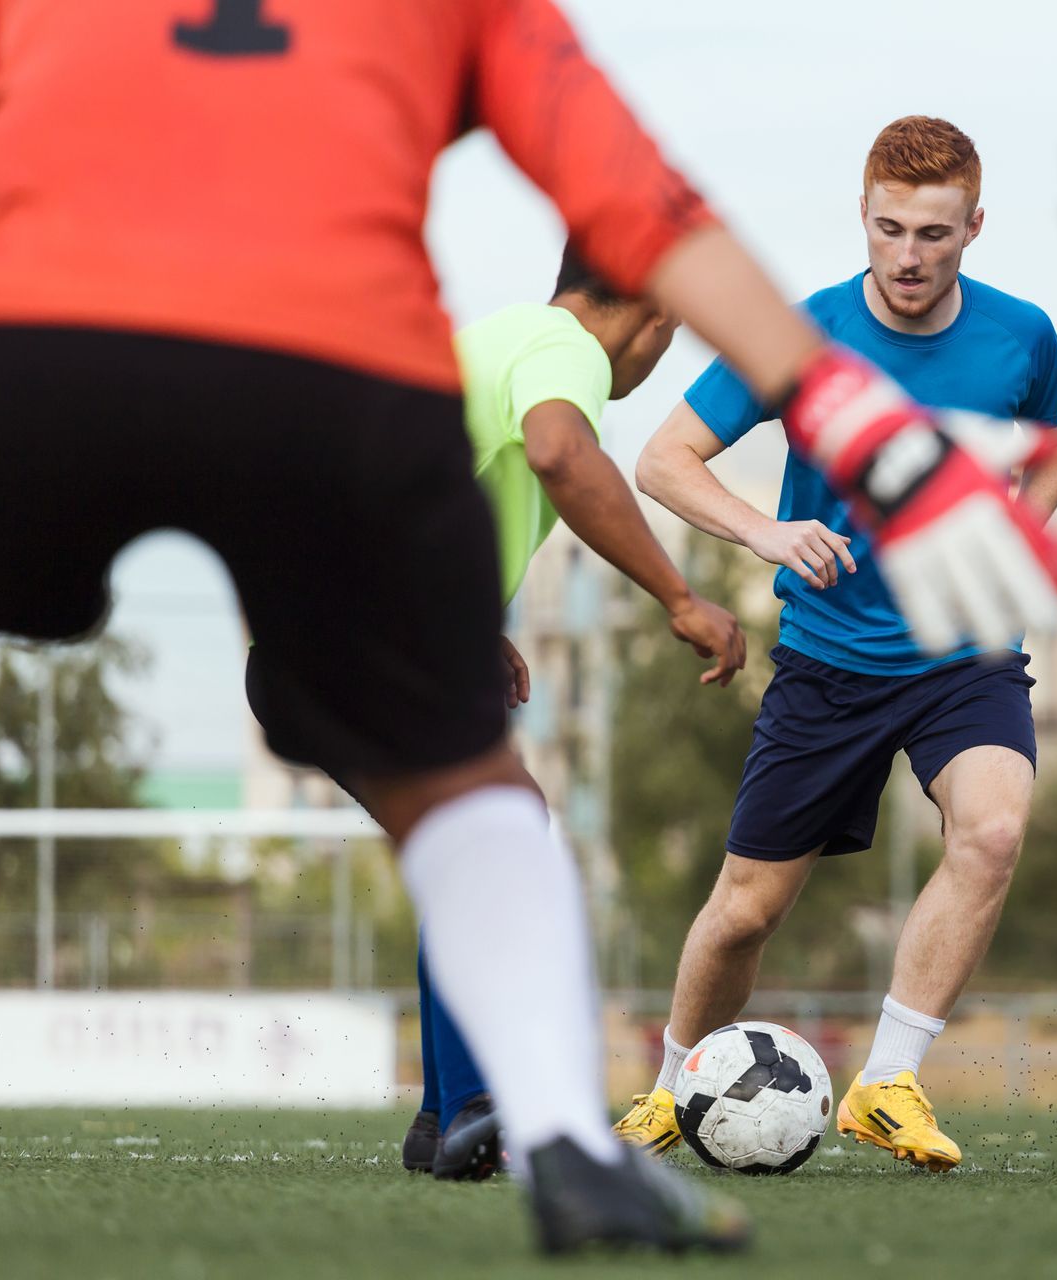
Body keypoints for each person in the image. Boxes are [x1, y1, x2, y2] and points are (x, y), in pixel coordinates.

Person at [0, 3, 1057, 1255]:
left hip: (41, 336)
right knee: (485, 811)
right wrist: (725, 543)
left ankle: (480, 1114)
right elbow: (624, 282)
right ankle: (546, 1131)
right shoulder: (475, 56)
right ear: (644, 323)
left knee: (498, 801)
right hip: (314, 366)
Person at [615, 116, 1057, 1172]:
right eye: (889, 229)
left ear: (973, 227)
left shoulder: (1022, 335)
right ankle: (667, 1086)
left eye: (933, 233)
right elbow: (664, 458)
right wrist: (768, 530)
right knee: (744, 912)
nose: (909, 256)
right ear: (861, 219)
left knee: (995, 831)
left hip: (962, 658)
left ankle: (890, 1081)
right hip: (828, 666)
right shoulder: (801, 338)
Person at [239, 239, 746, 1183]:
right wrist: (679, 596)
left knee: (481, 834)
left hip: (318, 643)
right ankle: (476, 1107)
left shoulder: (495, 340)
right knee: (496, 829)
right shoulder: (568, 354)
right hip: (353, 646)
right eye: (666, 335)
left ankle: (448, 1116)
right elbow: (559, 451)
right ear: (651, 316)